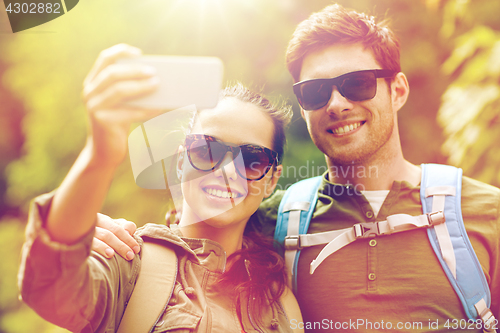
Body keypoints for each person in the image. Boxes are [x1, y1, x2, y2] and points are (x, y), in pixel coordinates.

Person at [95, 4, 500, 332]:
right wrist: (102, 236)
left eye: (358, 83)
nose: (337, 103)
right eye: (316, 91)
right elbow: (193, 238)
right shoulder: (275, 222)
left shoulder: (485, 215)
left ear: (398, 90)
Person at [17, 44, 304, 333]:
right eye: (207, 150)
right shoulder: (127, 261)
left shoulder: (282, 304)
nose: (227, 171)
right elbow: (48, 288)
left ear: (271, 181)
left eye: (252, 159)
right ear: (181, 161)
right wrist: (100, 155)